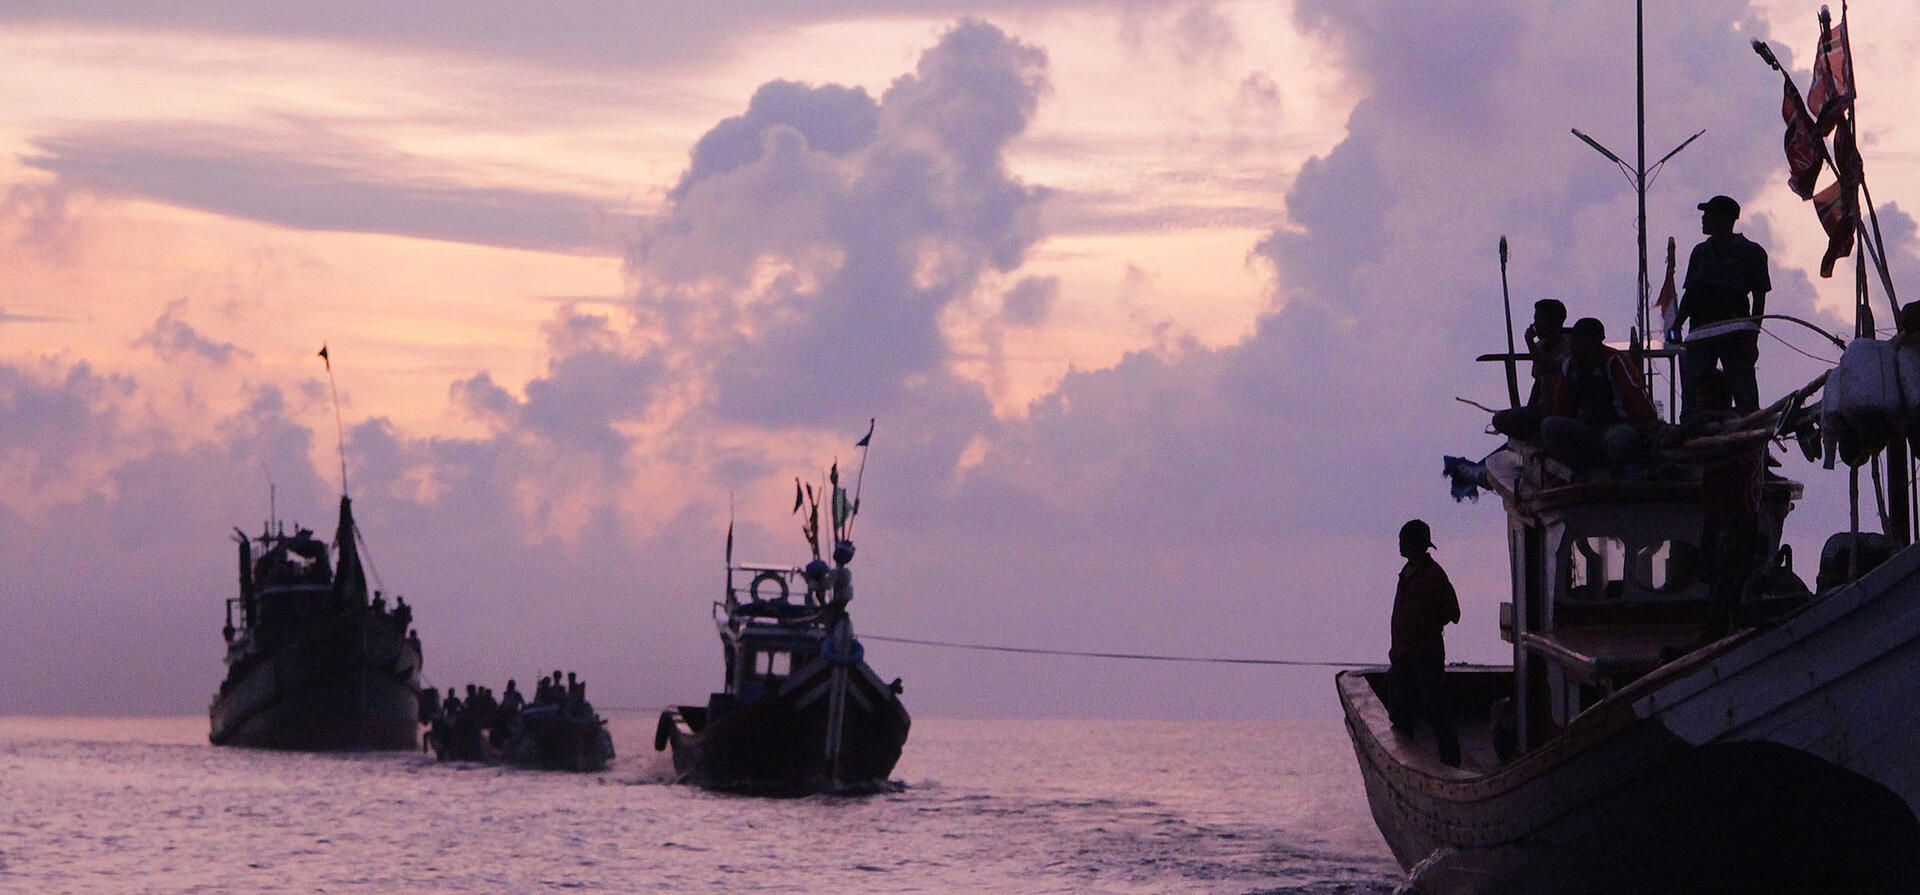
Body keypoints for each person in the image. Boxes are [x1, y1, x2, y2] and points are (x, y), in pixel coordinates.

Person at [1669, 194, 1771, 414]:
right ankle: (1691, 427)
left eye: (1709, 214)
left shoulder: (1752, 252)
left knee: (1743, 389)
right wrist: (1676, 325)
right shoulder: (1700, 252)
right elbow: (1691, 293)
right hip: (1700, 333)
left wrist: (1753, 337)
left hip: (1735, 333)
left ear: (1726, 218)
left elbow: (1759, 298)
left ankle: (1749, 424)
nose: (1703, 219)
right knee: (1694, 393)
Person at [1541, 318, 1658, 475]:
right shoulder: (1569, 367)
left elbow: (1636, 396)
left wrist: (1648, 423)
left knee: (1616, 439)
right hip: (1589, 429)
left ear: (1594, 342)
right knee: (1550, 426)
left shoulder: (1613, 361)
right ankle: (1582, 472)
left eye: (1580, 341)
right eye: (1574, 341)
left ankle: (1628, 473)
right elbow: (1562, 407)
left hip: (1620, 426)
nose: (1574, 346)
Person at [1388, 519, 1462, 767]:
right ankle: (1405, 757)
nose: (1399, 545)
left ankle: (1450, 759)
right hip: (1402, 654)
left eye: (1403, 541)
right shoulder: (1407, 572)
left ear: (1414, 544)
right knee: (1400, 707)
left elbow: (1453, 613)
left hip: (1425, 654)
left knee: (1434, 704)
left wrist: (1426, 627)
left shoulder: (1434, 575)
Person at [1492, 298, 1571, 439]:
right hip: (1543, 405)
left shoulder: (1569, 345)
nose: (1535, 324)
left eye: (1540, 319)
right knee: (1500, 419)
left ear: (1554, 321)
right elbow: (1538, 382)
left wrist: (1530, 344)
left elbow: (1547, 370)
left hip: (1563, 406)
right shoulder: (1541, 346)